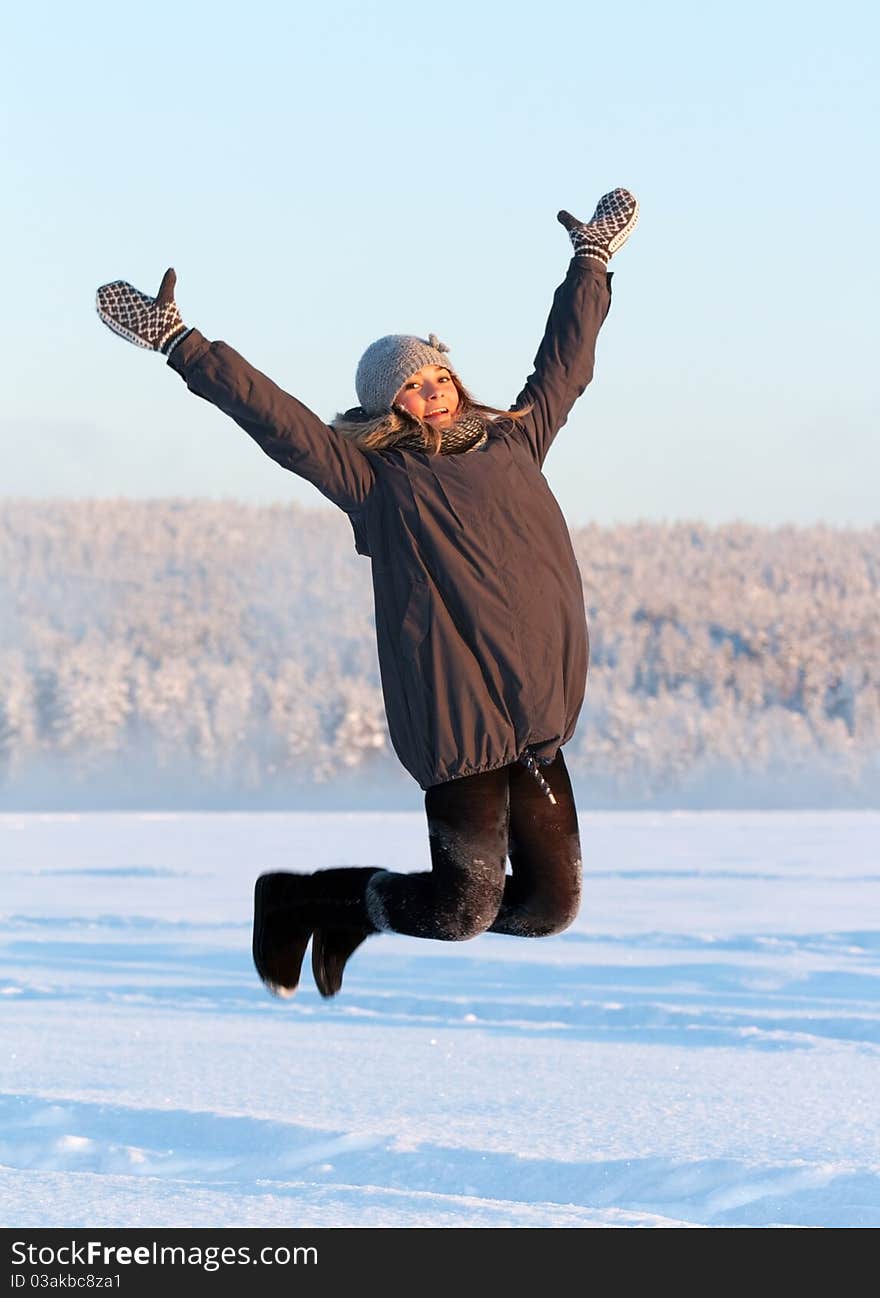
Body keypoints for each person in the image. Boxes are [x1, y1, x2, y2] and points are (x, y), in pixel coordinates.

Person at [96, 188, 639, 1000]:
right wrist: (183, 344)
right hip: (458, 722)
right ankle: (307, 899)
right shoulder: (378, 482)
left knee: (550, 908)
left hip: (539, 721)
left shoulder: (517, 438)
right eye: (412, 388)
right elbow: (280, 424)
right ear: (387, 405)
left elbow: (569, 358)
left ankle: (353, 913)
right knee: (460, 910)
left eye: (436, 376)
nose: (434, 392)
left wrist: (589, 261)